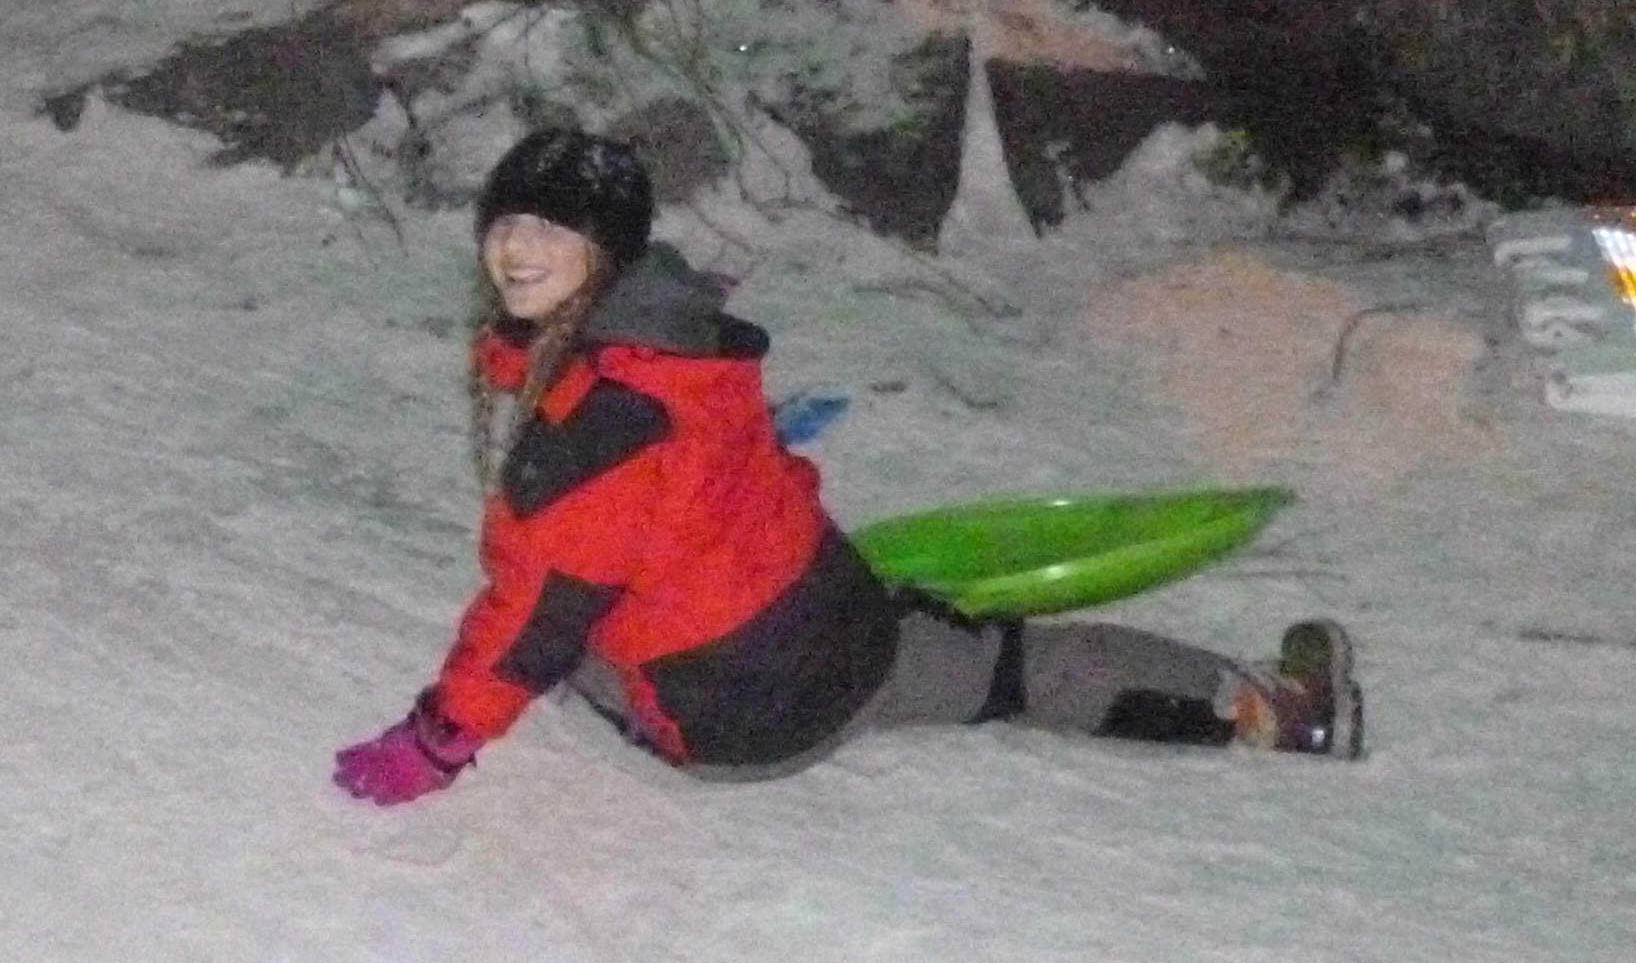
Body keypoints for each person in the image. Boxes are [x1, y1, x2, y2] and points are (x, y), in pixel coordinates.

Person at [332, 128, 1362, 805]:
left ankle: (1265, 711)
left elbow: (528, 624)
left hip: (734, 718)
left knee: (568, 641)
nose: (515, 249)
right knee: (1010, 664)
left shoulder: (596, 436)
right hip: (843, 627)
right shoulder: (688, 344)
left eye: (550, 230)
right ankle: (1273, 712)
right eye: (505, 223)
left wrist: (433, 744)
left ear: (606, 253)